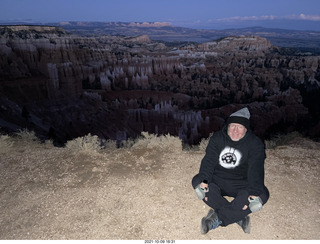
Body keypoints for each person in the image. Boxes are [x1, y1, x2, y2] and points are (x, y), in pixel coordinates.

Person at [192, 107, 269, 234]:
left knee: (262, 195)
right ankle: (238, 216)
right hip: (218, 180)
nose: (235, 131)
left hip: (242, 183)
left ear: (246, 129)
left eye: (239, 127)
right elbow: (209, 160)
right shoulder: (217, 138)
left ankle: (218, 218)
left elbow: (256, 170)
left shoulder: (255, 143)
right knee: (197, 181)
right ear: (227, 126)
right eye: (232, 126)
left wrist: (254, 192)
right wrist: (204, 181)